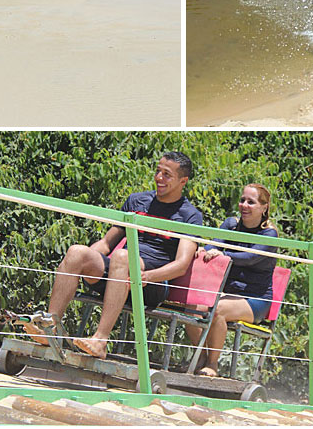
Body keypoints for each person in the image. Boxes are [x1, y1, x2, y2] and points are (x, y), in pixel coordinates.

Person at [23, 151, 201, 359]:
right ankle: (50, 327)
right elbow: (107, 243)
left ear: (183, 181)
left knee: (123, 257)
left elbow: (181, 265)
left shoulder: (190, 215)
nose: (158, 178)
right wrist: (83, 261)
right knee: (77, 252)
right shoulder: (137, 201)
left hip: (152, 284)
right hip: (120, 273)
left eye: (167, 175)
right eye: (158, 171)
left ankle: (100, 340)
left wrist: (146, 277)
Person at [186, 183, 278, 377]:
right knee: (193, 305)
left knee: (219, 310)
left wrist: (222, 254)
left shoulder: (269, 233)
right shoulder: (231, 224)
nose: (244, 205)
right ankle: (201, 355)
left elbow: (250, 257)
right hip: (226, 292)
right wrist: (205, 249)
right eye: (242, 200)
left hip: (255, 298)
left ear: (264, 207)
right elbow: (215, 245)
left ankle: (212, 364)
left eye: (251, 202)